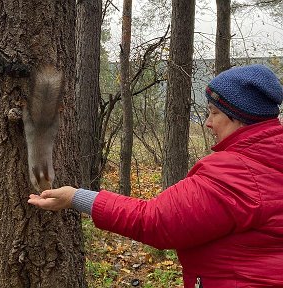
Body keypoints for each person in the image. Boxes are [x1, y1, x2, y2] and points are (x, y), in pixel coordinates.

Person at [28, 64, 283, 288]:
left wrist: (76, 197)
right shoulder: (271, 157)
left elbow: (153, 221)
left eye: (214, 113)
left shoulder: (236, 173)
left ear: (239, 118)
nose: (208, 122)